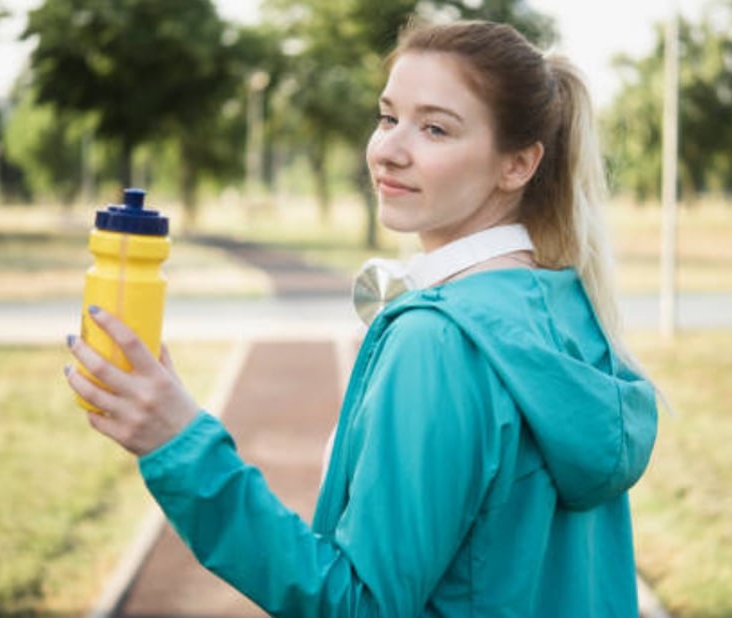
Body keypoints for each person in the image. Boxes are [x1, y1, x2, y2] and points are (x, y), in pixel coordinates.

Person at [65, 19, 658, 617]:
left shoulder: (437, 342)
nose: (388, 150)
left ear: (517, 165)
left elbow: (359, 605)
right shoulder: (568, 308)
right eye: (387, 117)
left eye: (434, 128)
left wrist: (179, 443)